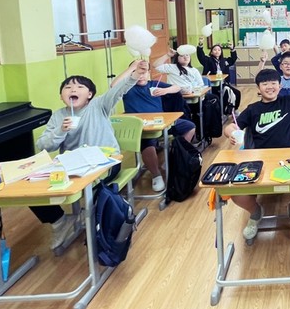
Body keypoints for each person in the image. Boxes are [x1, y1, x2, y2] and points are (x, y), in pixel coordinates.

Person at [33, 59, 147, 249]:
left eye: (79, 87)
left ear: (90, 95)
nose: (73, 89)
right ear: (61, 96)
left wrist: (135, 73)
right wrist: (60, 130)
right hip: (72, 167)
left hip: (106, 163)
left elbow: (118, 91)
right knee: (35, 187)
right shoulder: (58, 116)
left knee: (92, 189)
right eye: (68, 87)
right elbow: (43, 145)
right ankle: (59, 221)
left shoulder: (99, 105)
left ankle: (101, 228)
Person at [223, 57, 290, 243]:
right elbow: (231, 126)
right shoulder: (252, 109)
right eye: (265, 84)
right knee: (235, 192)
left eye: (273, 83)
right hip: (260, 160)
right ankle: (255, 213)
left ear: (279, 85)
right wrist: (231, 133)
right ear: (258, 88)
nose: (270, 87)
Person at [119, 64, 198, 193]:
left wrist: (165, 91)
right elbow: (114, 85)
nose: (141, 76)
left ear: (149, 73)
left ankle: (176, 155)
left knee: (189, 127)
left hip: (161, 122)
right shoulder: (127, 88)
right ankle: (156, 175)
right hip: (142, 127)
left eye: (144, 72)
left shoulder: (154, 84)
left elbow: (177, 87)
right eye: (137, 72)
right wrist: (130, 69)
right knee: (148, 144)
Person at [197, 38, 242, 112]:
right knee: (225, 93)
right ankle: (224, 111)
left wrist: (232, 49)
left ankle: (234, 110)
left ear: (221, 52)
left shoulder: (224, 61)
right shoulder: (208, 60)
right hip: (212, 84)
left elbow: (233, 59)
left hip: (223, 83)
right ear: (211, 52)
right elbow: (200, 56)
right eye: (214, 50)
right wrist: (200, 45)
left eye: (219, 50)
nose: (217, 51)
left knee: (237, 93)